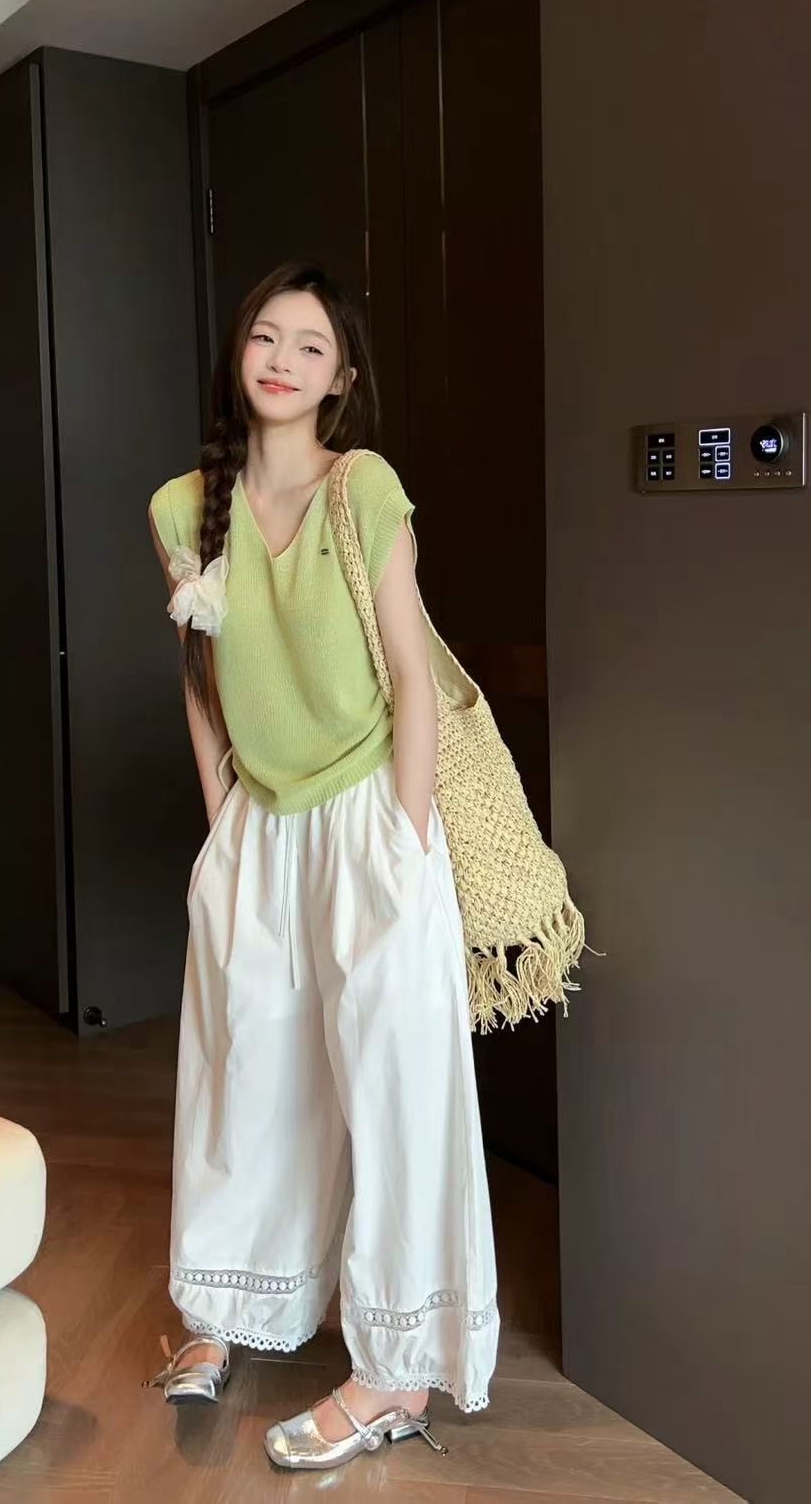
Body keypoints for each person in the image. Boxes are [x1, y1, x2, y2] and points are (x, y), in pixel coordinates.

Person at [146, 262, 498, 1472]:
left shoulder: (362, 488)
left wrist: (403, 832)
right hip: (258, 824)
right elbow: (199, 682)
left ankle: (395, 1367)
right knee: (246, 1069)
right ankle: (226, 1305)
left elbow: (410, 673)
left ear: (340, 376)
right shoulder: (183, 507)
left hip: (366, 816)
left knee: (393, 1083)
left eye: (309, 345)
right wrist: (221, 826)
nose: (283, 359)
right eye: (265, 335)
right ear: (237, 353)